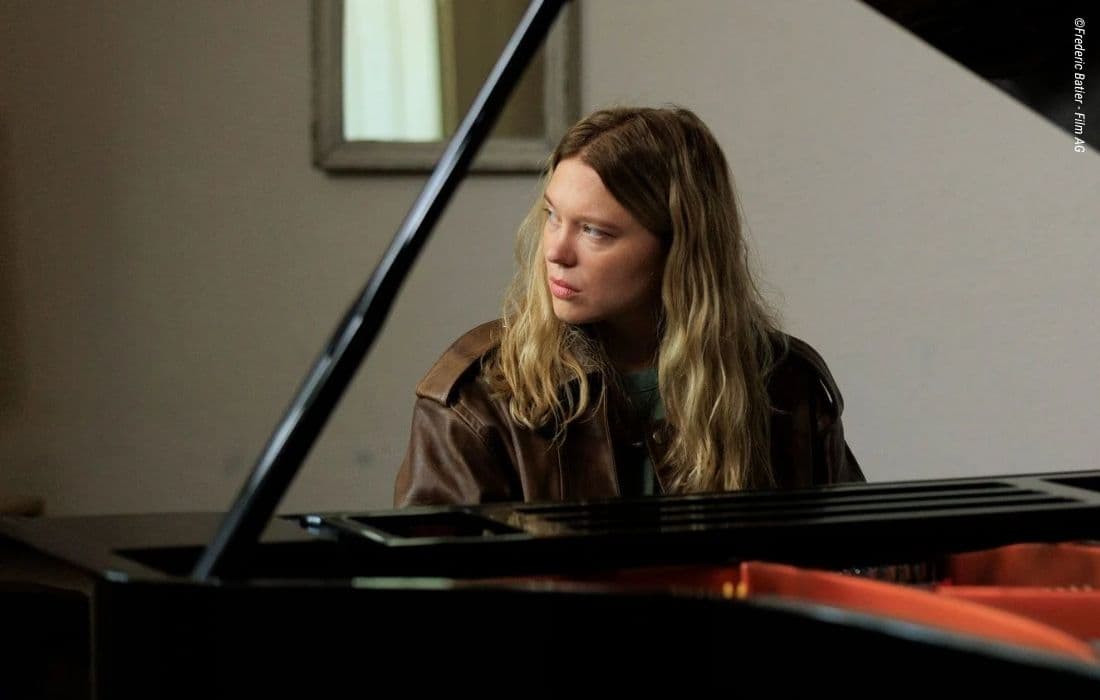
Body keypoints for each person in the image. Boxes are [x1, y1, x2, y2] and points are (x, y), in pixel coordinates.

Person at [395, 106, 863, 507]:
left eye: (594, 231)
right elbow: (432, 578)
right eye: (552, 216)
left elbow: (857, 562)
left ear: (678, 250)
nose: (555, 251)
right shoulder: (476, 399)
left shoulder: (786, 386)